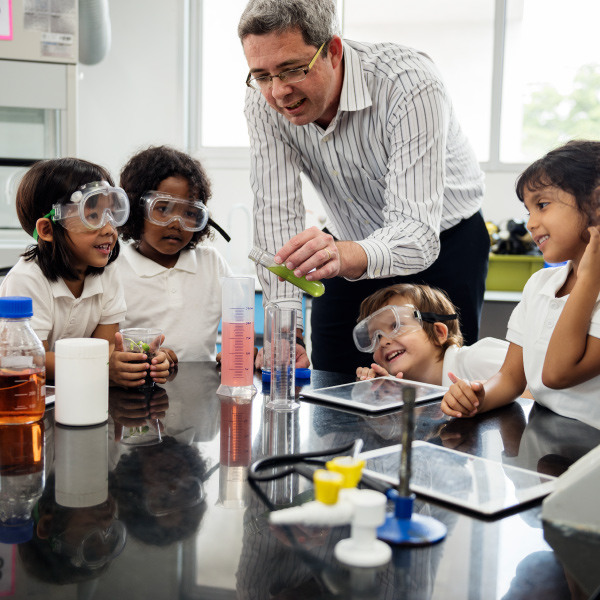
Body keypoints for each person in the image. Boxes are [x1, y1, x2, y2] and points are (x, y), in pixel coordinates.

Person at [238, 0, 489, 374]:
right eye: (261, 75)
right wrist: (287, 332)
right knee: (333, 381)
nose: (278, 92)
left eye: (292, 70)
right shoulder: (264, 105)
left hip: (443, 242)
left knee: (440, 387)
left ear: (333, 51)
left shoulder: (407, 82)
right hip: (345, 244)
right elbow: (277, 217)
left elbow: (416, 233)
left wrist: (341, 256)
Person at [442, 140, 600, 429]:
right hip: (543, 438)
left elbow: (556, 373)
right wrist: (479, 396)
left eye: (542, 205)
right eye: (529, 211)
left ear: (596, 205)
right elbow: (512, 377)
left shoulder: (592, 287)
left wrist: (589, 278)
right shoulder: (540, 283)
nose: (531, 223)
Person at [0, 158, 169, 387]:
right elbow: (31, 358)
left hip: (80, 389)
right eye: (92, 216)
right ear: (48, 229)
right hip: (29, 393)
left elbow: (106, 346)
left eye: (111, 214)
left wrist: (138, 360)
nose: (109, 229)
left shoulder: (107, 273)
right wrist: (104, 365)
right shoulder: (27, 278)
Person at [117, 145, 232, 362]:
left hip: (202, 389)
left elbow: (240, 321)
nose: (177, 224)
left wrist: (241, 350)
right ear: (135, 208)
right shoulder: (114, 270)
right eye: (163, 209)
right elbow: (109, 347)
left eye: (189, 213)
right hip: (139, 389)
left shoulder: (212, 263)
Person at [354, 283, 508, 386]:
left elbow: (531, 379)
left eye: (396, 325)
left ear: (438, 333)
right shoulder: (402, 388)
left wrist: (486, 398)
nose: (383, 342)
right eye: (376, 336)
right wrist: (378, 396)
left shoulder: (477, 359)